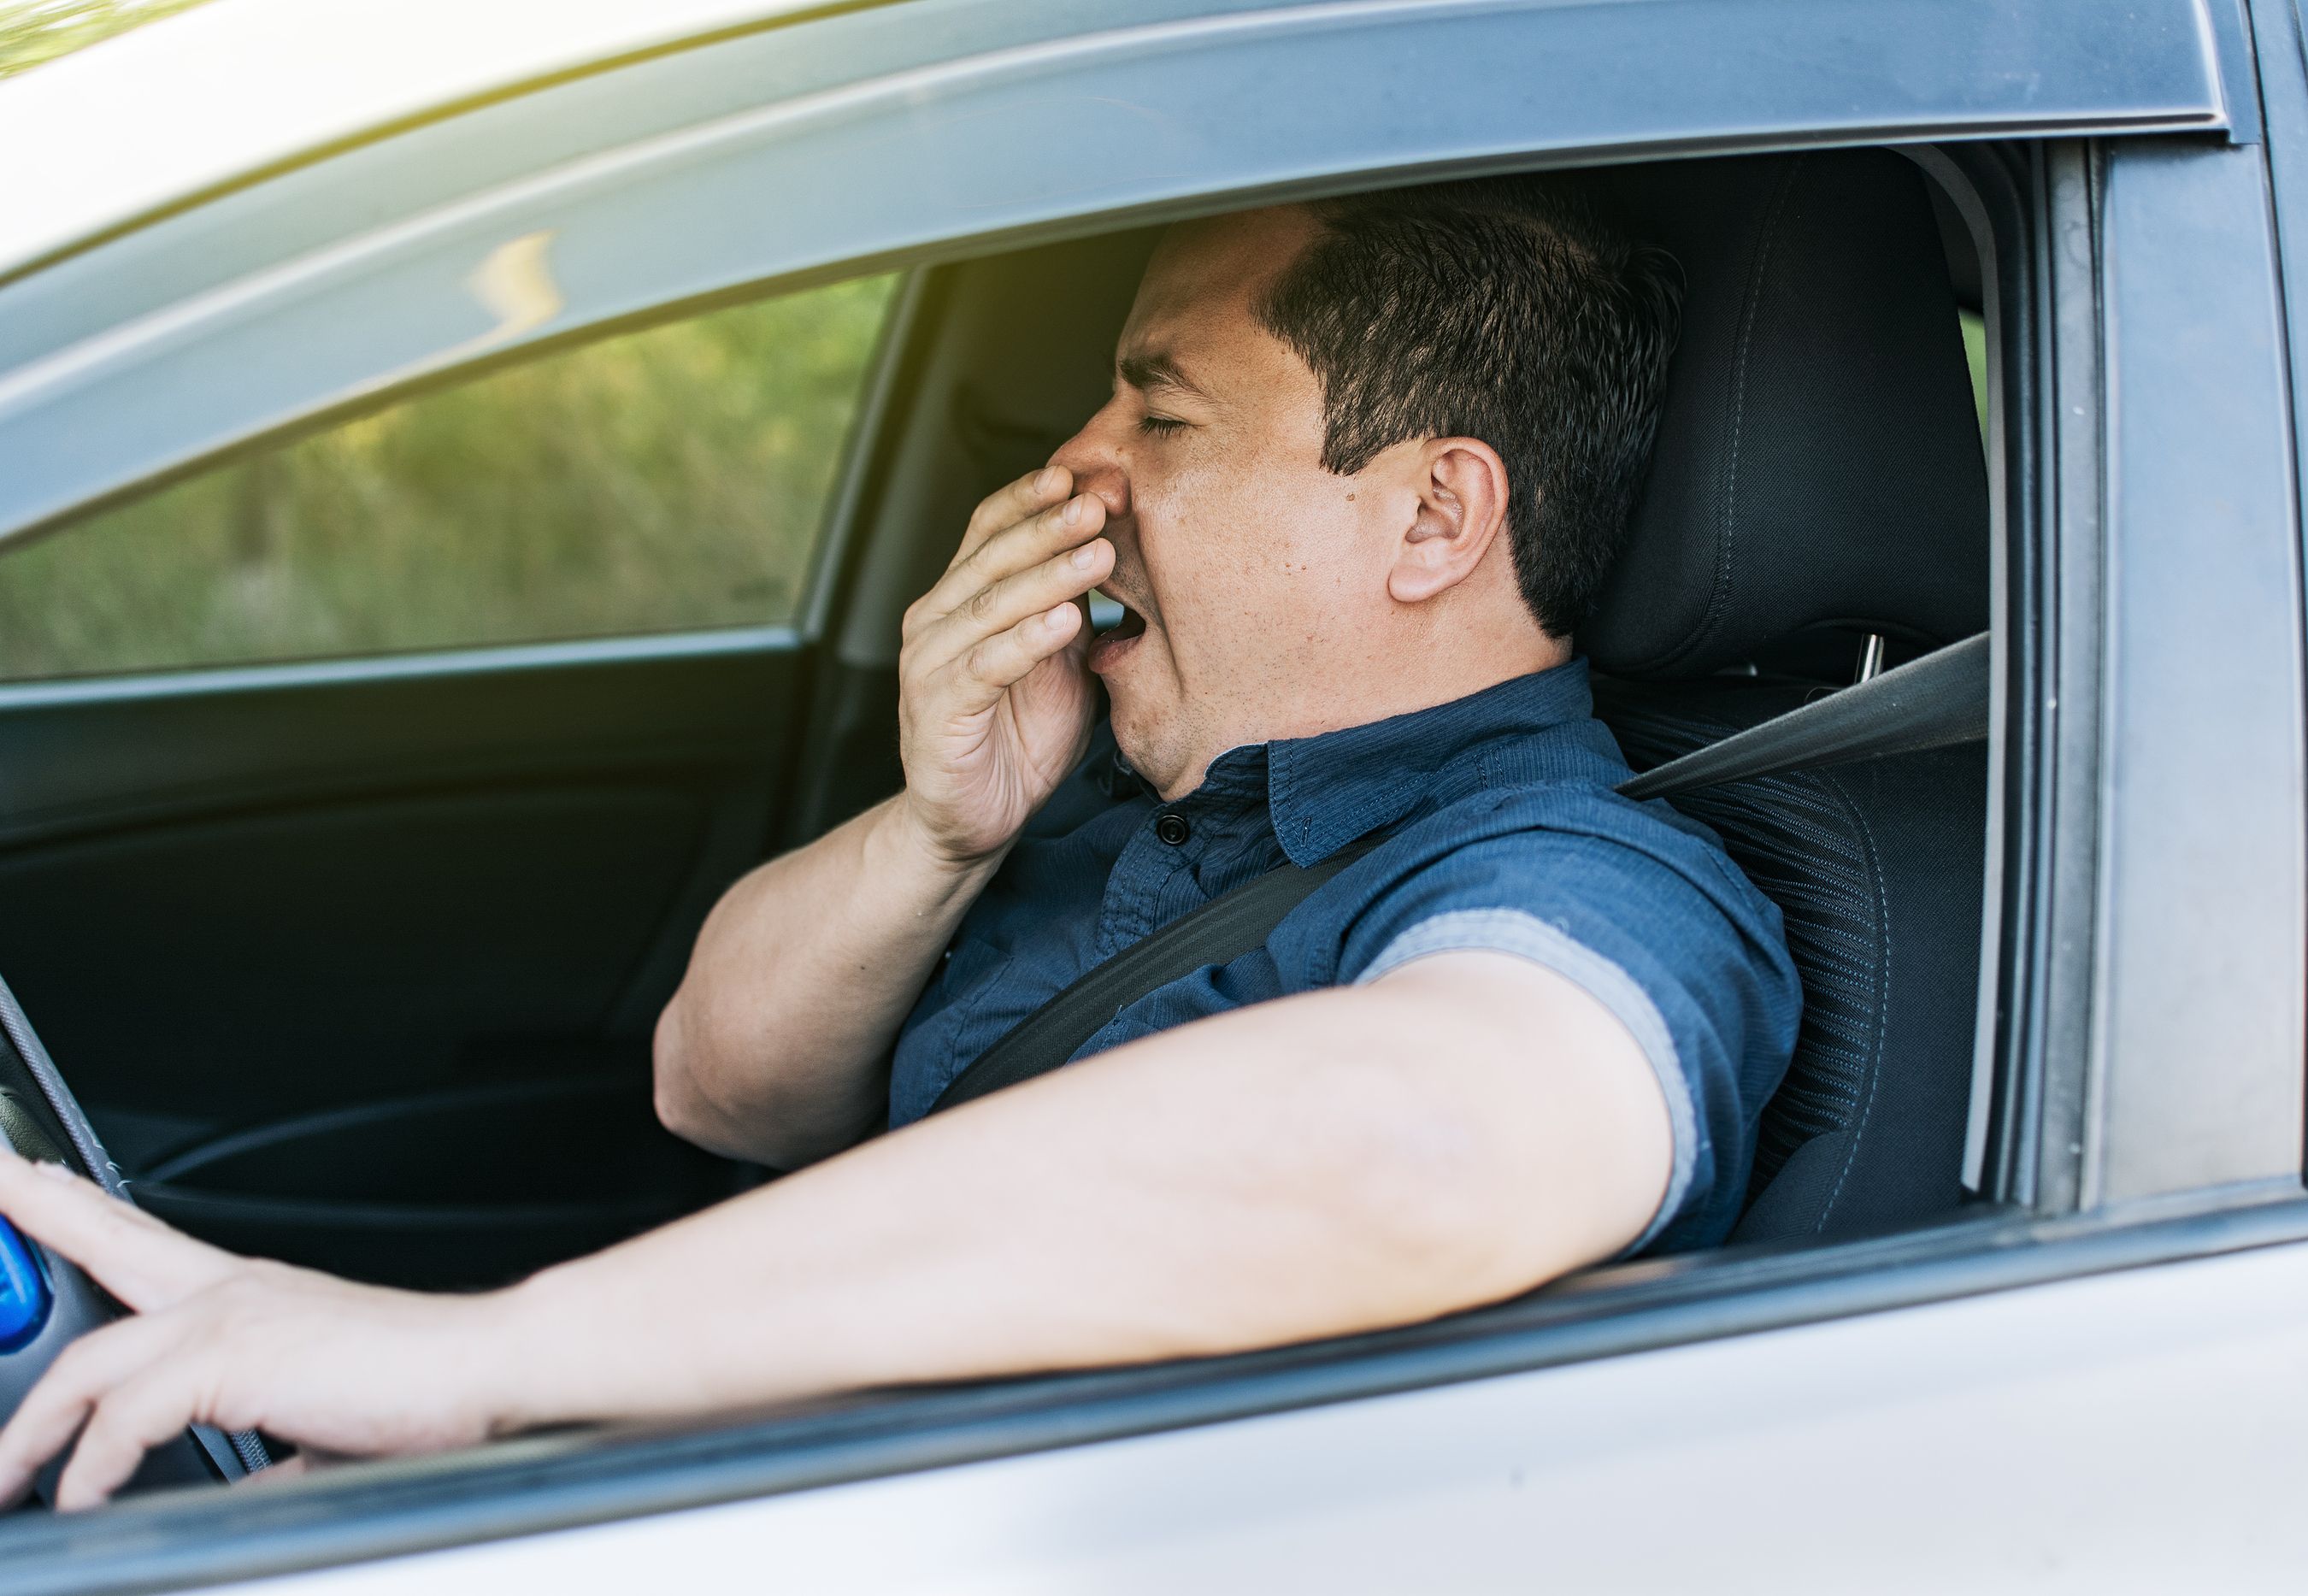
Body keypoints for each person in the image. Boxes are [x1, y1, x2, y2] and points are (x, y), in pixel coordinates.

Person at [0, 180, 1799, 1511]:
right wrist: (941, 829)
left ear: (1430, 514)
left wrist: (466, 1358)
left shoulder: (1581, 876)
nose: (1069, 471)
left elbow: (1432, 1139)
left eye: (1157, 415)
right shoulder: (1127, 788)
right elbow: (716, 1088)